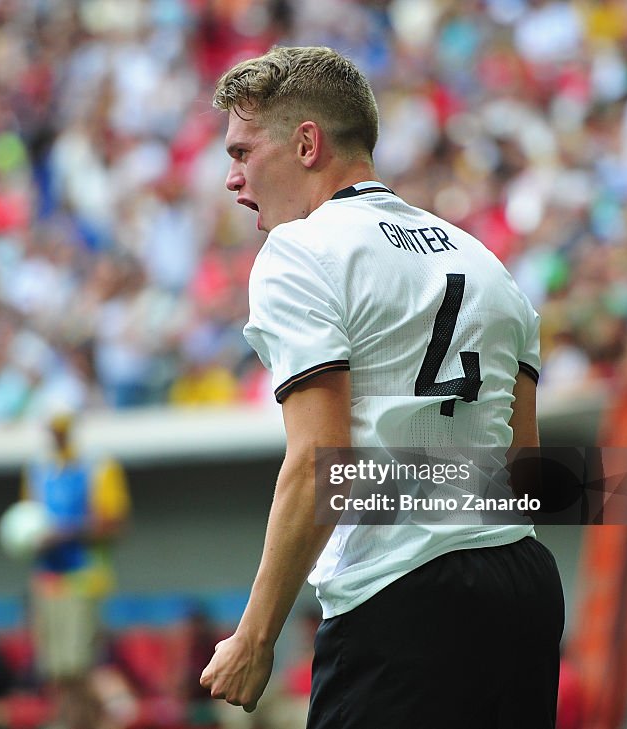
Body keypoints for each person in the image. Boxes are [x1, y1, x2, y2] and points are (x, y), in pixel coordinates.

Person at [200, 46, 565, 728]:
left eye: (243, 152)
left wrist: (254, 636)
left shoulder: (300, 251)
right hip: (522, 588)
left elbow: (321, 467)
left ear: (306, 143)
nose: (232, 177)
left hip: (403, 598)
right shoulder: (488, 265)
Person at [23, 411, 130, 729]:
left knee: (79, 665)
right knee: (56, 669)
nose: (55, 434)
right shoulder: (37, 470)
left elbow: (116, 524)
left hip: (84, 579)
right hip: (48, 581)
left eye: (61, 427)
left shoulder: (99, 466)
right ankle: (71, 720)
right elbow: (30, 522)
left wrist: (66, 532)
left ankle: (98, 718)